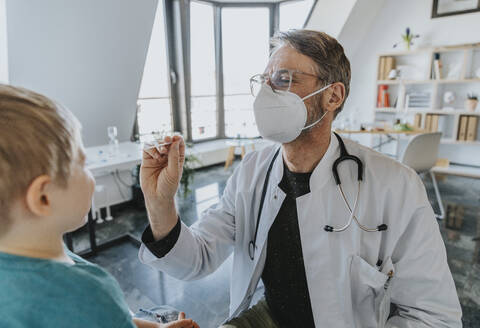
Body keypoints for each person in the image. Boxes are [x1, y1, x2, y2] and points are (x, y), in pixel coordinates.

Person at [138, 30, 462, 327]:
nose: (266, 93)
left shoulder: (396, 186)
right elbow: (197, 259)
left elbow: (434, 316)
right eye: (264, 80)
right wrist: (159, 202)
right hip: (270, 315)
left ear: (332, 96)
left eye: (283, 79)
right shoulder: (251, 172)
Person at [0, 84, 199, 328]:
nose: (90, 173)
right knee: (168, 310)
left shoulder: (29, 255)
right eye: (83, 164)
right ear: (43, 197)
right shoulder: (88, 295)